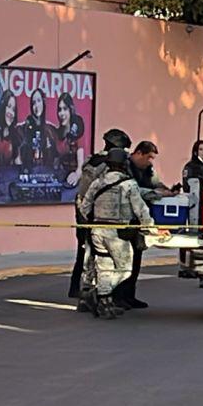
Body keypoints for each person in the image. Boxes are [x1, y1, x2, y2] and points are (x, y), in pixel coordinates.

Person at [80, 148, 155, 319]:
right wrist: (151, 228)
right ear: (124, 165)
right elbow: (141, 210)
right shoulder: (129, 184)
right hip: (117, 233)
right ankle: (99, 294)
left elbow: (84, 207)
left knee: (105, 267)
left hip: (97, 231)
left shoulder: (97, 183)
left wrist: (94, 220)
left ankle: (104, 303)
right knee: (125, 269)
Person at [69, 128, 132, 301]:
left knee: (84, 251)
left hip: (83, 210)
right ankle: (98, 294)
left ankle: (78, 288)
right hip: (100, 215)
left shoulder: (91, 160)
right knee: (102, 257)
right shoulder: (110, 165)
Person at [120, 140, 176, 308]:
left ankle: (130, 295)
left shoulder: (147, 169)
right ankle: (119, 296)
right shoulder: (125, 167)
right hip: (126, 218)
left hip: (140, 219)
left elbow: (156, 183)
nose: (150, 161)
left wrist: (168, 191)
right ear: (138, 153)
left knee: (136, 259)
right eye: (149, 157)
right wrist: (156, 193)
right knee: (123, 261)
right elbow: (133, 190)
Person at [51, 92, 87, 187]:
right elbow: (56, 162)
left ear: (71, 110)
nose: (61, 113)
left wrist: (76, 175)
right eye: (59, 110)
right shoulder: (56, 134)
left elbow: (80, 167)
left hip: (76, 181)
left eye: (65, 109)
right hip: (62, 178)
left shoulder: (78, 131)